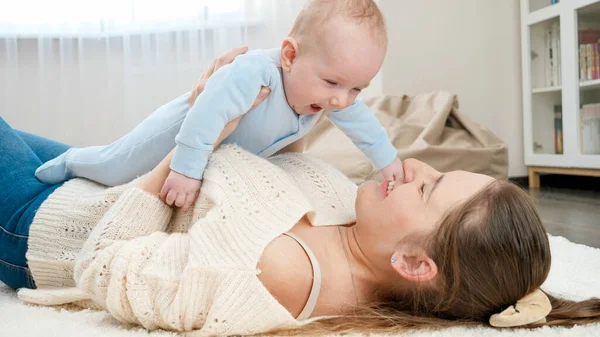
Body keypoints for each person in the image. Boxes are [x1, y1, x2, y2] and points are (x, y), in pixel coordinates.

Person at [3, 53, 600, 337]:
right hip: (99, 181)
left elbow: (101, 263)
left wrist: (189, 145)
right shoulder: (361, 219)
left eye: (428, 187)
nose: (412, 166)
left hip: (45, 226)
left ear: (414, 263)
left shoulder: (277, 272)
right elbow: (263, 178)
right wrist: (281, 112)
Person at [34, 0, 404, 213]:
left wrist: (389, 163)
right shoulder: (255, 73)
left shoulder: (328, 93)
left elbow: (364, 126)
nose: (342, 99)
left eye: (357, 88)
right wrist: (186, 171)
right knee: (115, 166)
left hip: (213, 147)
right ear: (290, 55)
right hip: (175, 133)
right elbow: (206, 115)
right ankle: (72, 160)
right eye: (333, 83)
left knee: (125, 182)